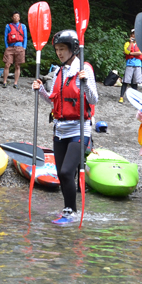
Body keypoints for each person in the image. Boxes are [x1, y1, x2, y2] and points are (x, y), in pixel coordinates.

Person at [32, 30, 98, 225]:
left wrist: (84, 82)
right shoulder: (59, 71)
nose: (59, 53)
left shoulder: (84, 69)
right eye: (57, 49)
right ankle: (71, 211)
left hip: (80, 129)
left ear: (73, 49)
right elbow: (53, 101)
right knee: (62, 173)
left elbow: (94, 99)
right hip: (60, 129)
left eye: (63, 49)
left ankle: (69, 210)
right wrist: (40, 90)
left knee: (66, 172)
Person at [2, 12, 27, 88]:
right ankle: (4, 81)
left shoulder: (23, 26)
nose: (16, 17)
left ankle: (15, 83)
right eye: (14, 16)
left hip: (20, 47)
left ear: (19, 18)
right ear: (12, 17)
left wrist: (24, 47)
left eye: (17, 16)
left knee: (17, 66)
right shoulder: (8, 26)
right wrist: (7, 47)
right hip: (10, 47)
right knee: (7, 64)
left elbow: (25, 37)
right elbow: (5, 37)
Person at [120, 29, 142, 103]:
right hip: (129, 64)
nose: (134, 35)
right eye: (133, 34)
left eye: (136, 34)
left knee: (135, 82)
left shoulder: (140, 44)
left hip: (137, 64)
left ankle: (135, 98)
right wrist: (131, 43)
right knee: (125, 81)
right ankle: (121, 97)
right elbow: (127, 51)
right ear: (131, 35)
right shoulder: (127, 43)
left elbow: (140, 53)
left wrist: (130, 54)